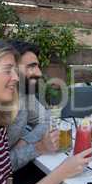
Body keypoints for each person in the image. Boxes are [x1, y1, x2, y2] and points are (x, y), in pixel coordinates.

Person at [0, 36, 92, 184]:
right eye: (7, 70)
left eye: (14, 70)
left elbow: (47, 119)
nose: (14, 77)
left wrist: (26, 140)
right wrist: (61, 170)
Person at [7, 40, 59, 171]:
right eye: (31, 66)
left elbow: (47, 119)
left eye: (37, 66)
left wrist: (25, 140)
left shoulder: (24, 94)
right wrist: (39, 147)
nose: (39, 73)